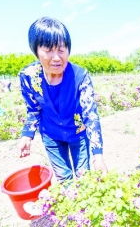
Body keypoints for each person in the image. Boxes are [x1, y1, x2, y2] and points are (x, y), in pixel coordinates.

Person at [18, 17, 107, 184]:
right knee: (64, 179)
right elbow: (33, 109)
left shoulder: (80, 76)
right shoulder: (28, 76)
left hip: (78, 133)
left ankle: (83, 207)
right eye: (48, 50)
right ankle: (71, 207)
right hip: (51, 135)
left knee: (83, 177)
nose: (57, 57)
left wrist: (98, 155)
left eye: (61, 49)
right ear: (36, 50)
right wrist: (27, 135)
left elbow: (91, 115)